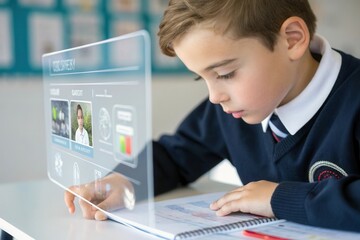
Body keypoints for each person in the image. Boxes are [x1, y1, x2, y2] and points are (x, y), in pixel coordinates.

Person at [65, 0, 360, 232]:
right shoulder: (231, 109)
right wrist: (126, 180)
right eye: (201, 78)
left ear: (292, 40)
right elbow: (175, 155)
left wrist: (278, 199)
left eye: (225, 73)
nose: (214, 96)